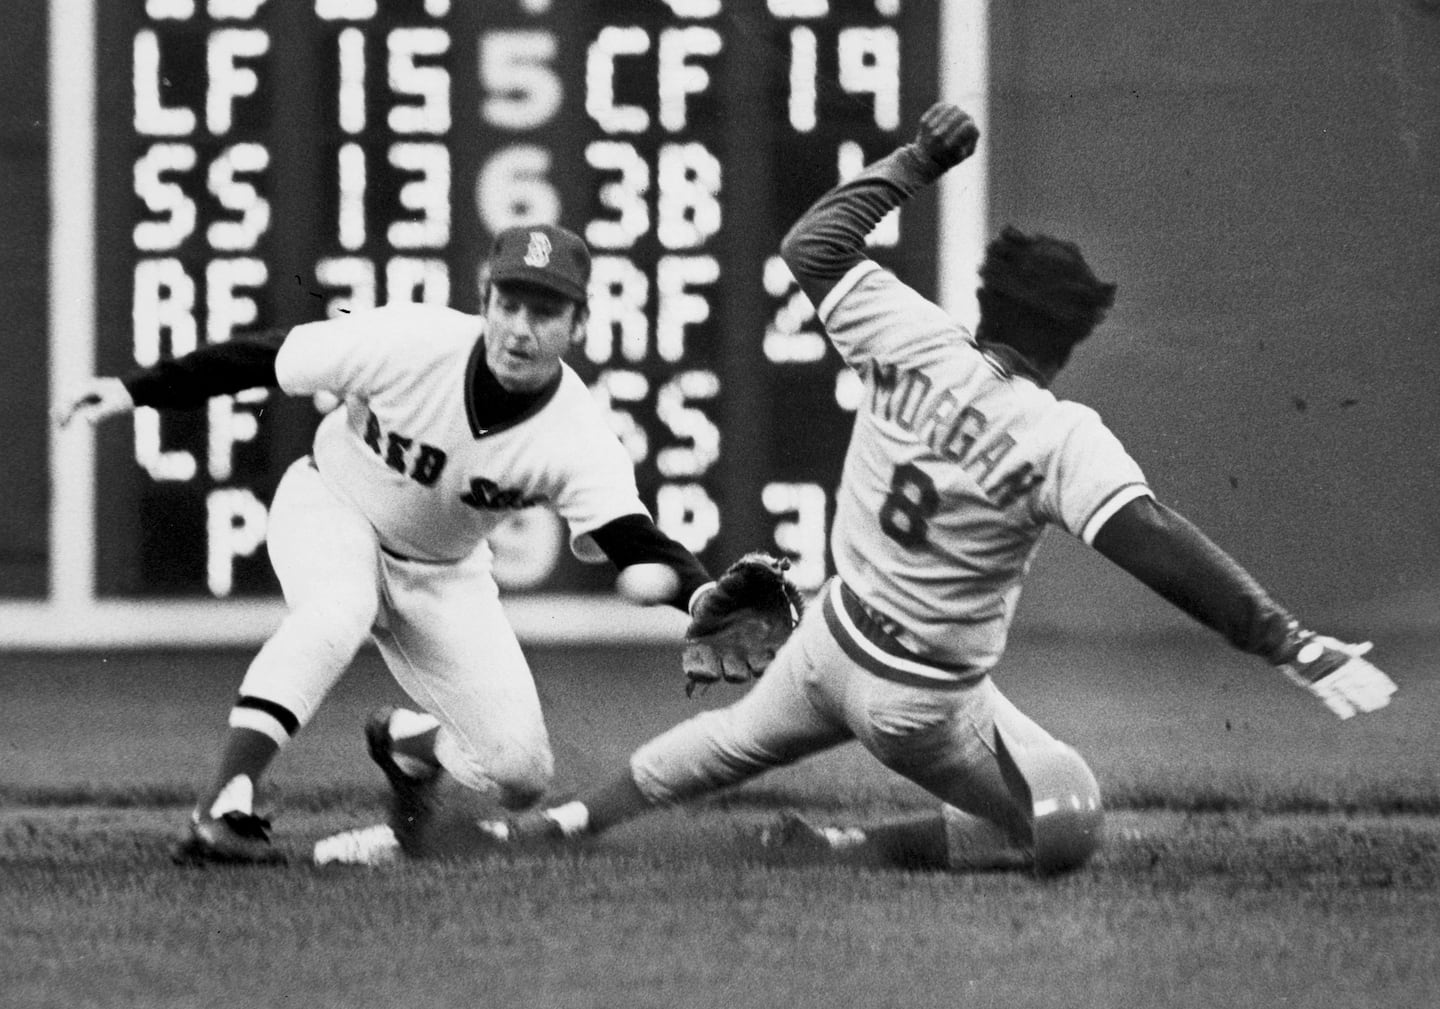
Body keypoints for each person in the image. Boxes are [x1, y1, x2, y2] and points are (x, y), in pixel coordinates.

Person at [456, 103, 1397, 876]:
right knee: (1066, 818)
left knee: (725, 742)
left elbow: (812, 245)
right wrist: (1284, 639)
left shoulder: (911, 335)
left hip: (832, 636)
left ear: (986, 301)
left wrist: (915, 160)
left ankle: (563, 823)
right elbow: (1155, 542)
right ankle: (850, 849)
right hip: (920, 703)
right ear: (1072, 339)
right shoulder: (1060, 434)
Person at [56, 223, 723, 864]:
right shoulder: (411, 341)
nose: (520, 328)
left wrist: (707, 597)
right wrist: (132, 390)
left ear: (578, 325)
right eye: (508, 303)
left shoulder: (575, 435)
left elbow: (633, 540)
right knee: (338, 609)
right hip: (330, 504)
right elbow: (268, 356)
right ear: (484, 302)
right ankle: (225, 802)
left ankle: (406, 746)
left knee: (521, 773)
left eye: (545, 312)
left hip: (443, 572)